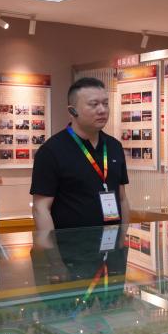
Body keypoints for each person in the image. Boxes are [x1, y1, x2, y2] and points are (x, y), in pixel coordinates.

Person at [31, 77, 130, 230]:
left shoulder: (114, 146)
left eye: (105, 103)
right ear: (72, 111)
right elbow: (41, 209)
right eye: (94, 104)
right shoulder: (51, 151)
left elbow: (122, 199)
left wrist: (122, 238)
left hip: (111, 241)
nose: (102, 110)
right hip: (71, 243)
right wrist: (50, 245)